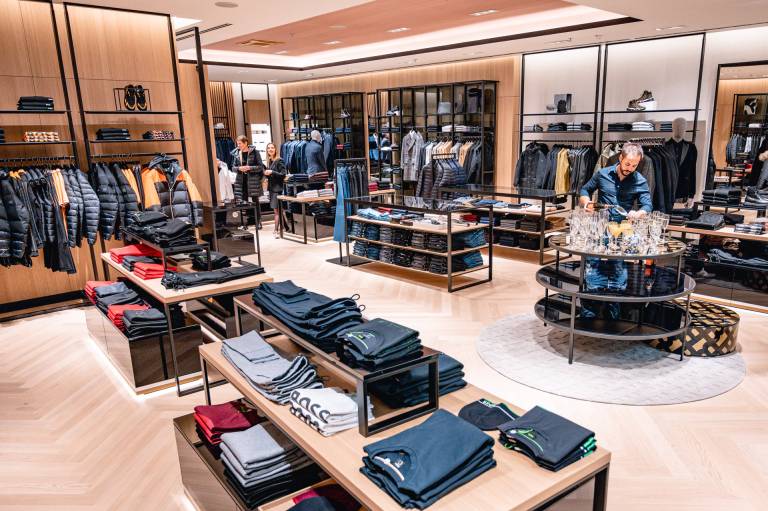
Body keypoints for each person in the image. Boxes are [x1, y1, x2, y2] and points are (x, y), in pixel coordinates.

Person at [578, 143, 653, 319]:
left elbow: (647, 205)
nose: (630, 168)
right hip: (599, 229)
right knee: (592, 272)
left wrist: (639, 213)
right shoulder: (602, 174)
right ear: (620, 158)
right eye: (627, 164)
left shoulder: (640, 180)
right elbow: (585, 189)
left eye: (634, 165)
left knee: (618, 277)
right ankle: (588, 318)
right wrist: (586, 202)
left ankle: (613, 321)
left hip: (621, 233)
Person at [230, 135, 264, 203]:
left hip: (253, 182)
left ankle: (256, 210)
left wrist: (249, 168)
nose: (238, 145)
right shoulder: (237, 153)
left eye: (240, 143)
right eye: (237, 144)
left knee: (255, 202)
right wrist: (239, 168)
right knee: (244, 202)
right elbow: (233, 168)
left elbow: (260, 167)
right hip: (241, 182)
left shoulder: (255, 152)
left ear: (245, 143)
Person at [264, 142, 286, 238]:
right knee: (279, 210)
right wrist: (267, 175)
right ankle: (286, 227)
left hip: (277, 189)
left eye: (272, 147)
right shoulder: (270, 161)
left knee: (276, 211)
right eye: (268, 148)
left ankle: (276, 231)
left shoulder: (279, 160)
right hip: (271, 189)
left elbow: (283, 174)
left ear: (275, 149)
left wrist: (272, 172)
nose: (270, 149)